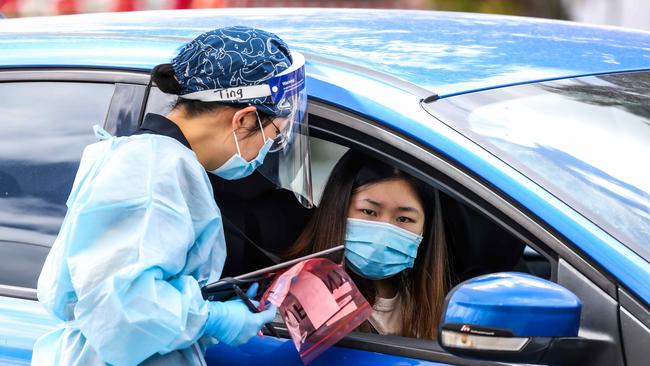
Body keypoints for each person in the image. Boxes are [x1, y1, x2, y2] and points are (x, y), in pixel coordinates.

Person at [32, 26, 311, 365]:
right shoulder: (152, 171)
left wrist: (204, 304)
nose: (268, 150)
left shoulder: (160, 161)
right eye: (273, 135)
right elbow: (124, 310)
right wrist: (212, 318)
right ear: (243, 119)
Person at [286, 151, 450, 339]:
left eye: (404, 218)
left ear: (425, 229)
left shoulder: (428, 300)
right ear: (338, 208)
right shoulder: (298, 293)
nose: (382, 235)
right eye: (369, 212)